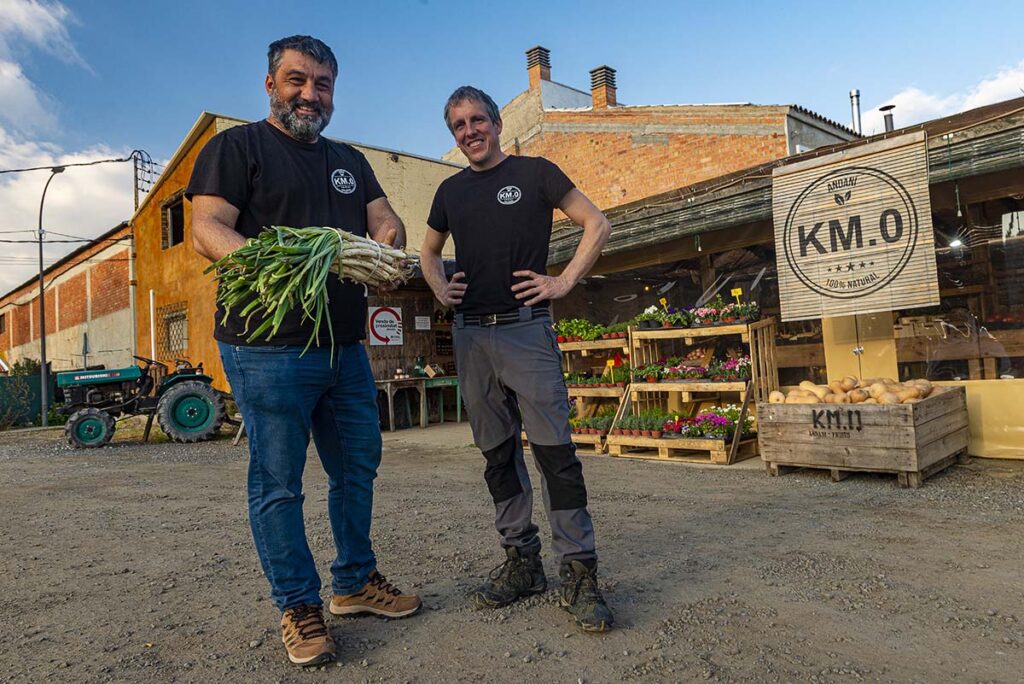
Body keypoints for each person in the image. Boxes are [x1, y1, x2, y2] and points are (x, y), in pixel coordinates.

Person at [187, 35, 420, 667]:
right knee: (278, 481)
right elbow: (207, 226)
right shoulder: (234, 148)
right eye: (297, 81)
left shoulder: (348, 159)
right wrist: (283, 263)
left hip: (343, 346)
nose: (309, 94)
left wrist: (386, 240)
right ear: (270, 84)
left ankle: (353, 583)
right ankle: (298, 603)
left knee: (356, 466)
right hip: (266, 347)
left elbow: (383, 216)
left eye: (322, 84)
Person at [420, 86, 615, 632]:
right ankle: (522, 561)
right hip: (471, 338)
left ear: (497, 123)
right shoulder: (450, 191)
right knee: (498, 456)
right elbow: (428, 252)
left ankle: (579, 571)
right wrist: (439, 289)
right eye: (458, 125)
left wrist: (563, 281)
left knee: (555, 454)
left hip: (526, 332)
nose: (469, 132)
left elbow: (596, 223)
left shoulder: (537, 174)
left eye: (477, 120)